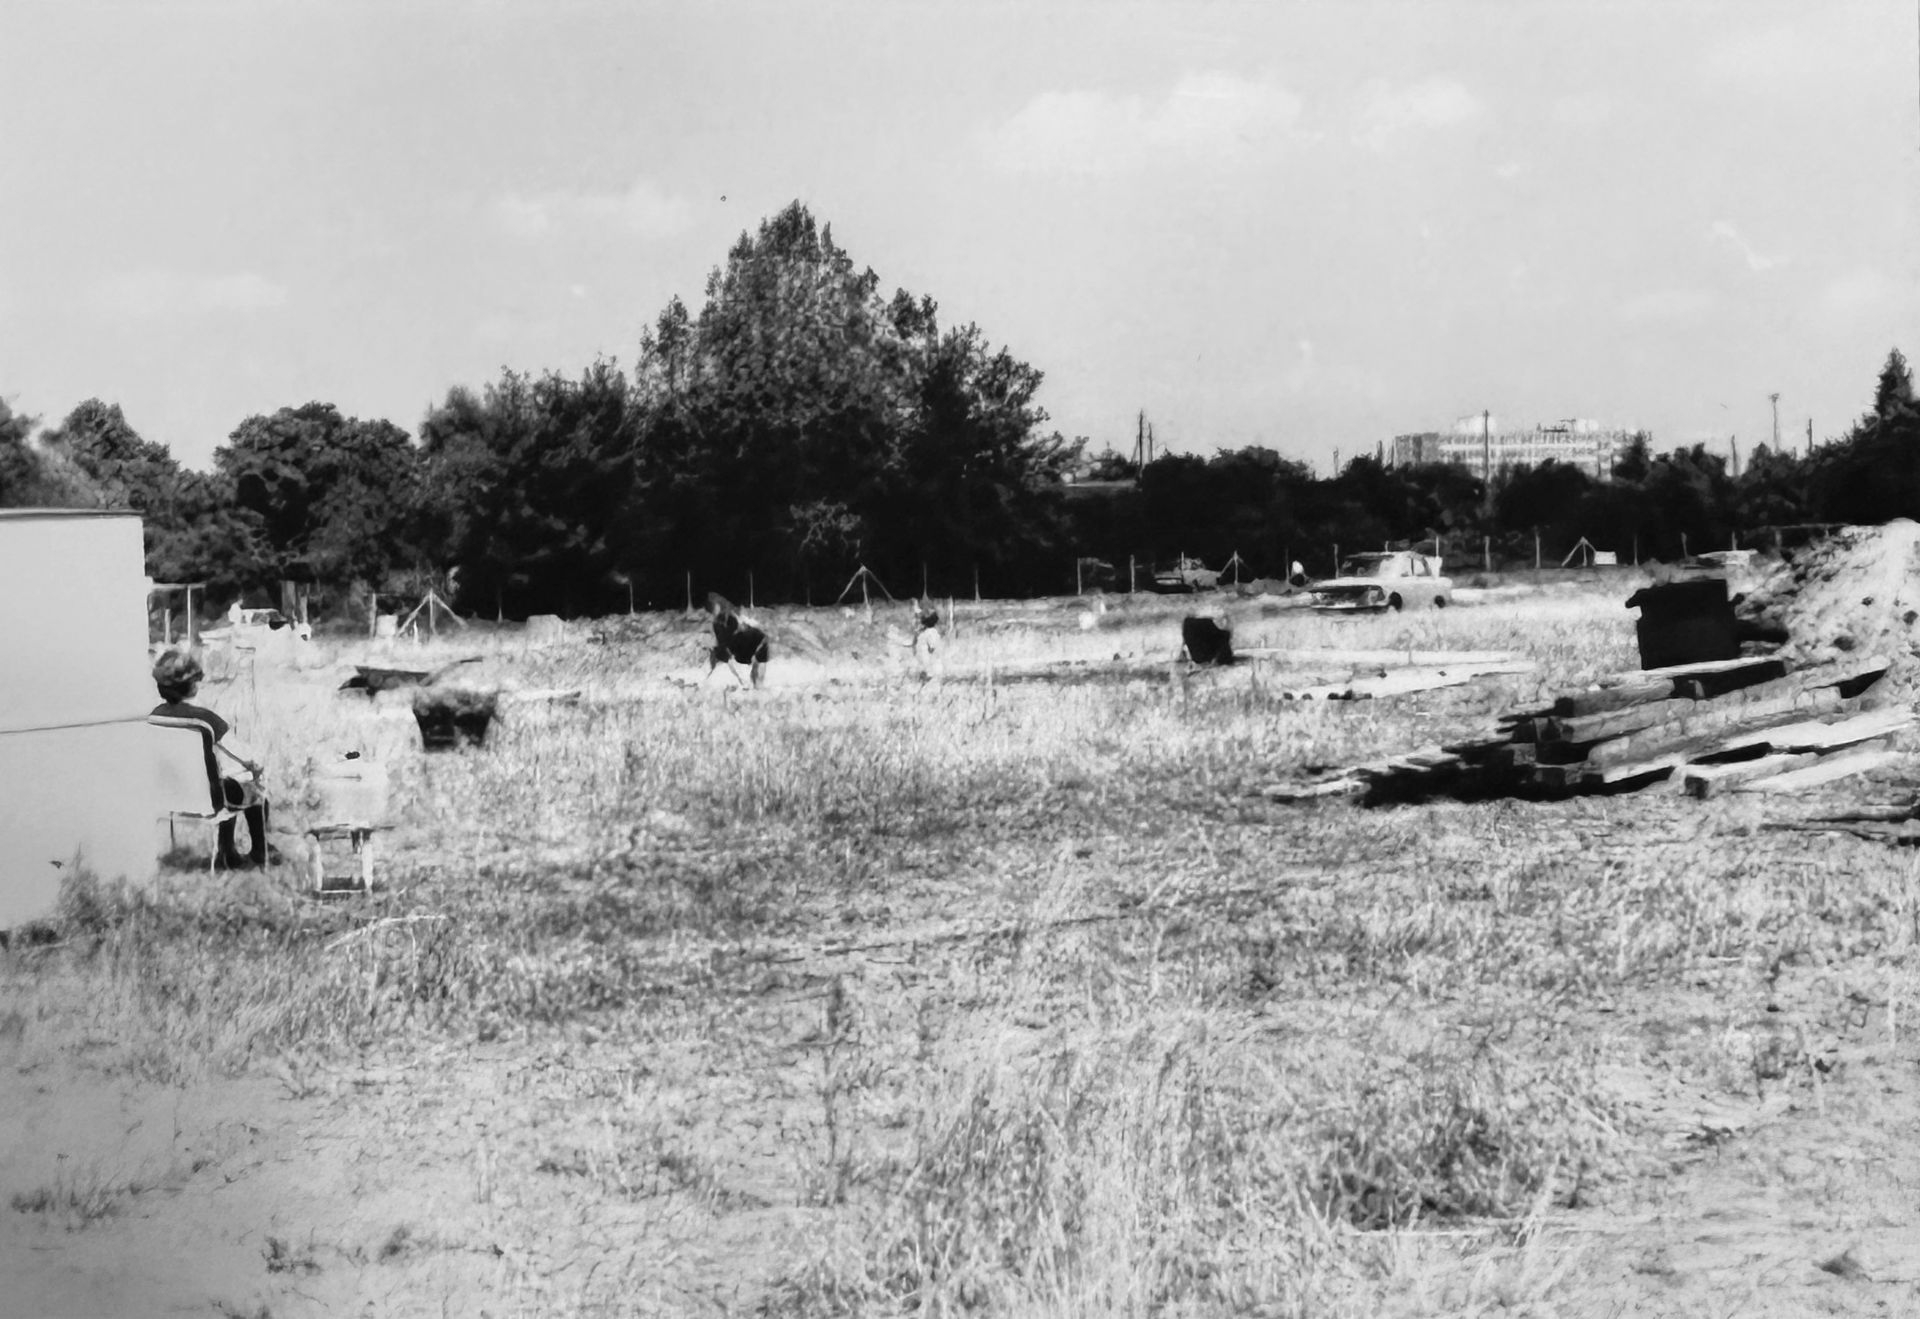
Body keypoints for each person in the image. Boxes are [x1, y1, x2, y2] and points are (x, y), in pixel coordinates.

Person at [150, 649, 273, 869]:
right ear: (192, 686)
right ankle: (259, 853)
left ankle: (228, 852)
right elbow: (245, 756)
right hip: (208, 798)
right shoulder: (204, 719)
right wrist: (255, 766)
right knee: (252, 791)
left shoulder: (154, 717)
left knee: (225, 783)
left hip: (169, 794)